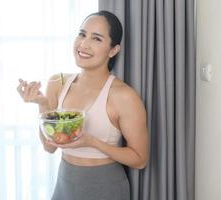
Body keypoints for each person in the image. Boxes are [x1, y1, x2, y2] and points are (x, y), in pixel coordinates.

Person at [17, 10, 148, 200]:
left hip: (105, 186)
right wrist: (42, 104)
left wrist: (92, 142)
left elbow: (140, 159)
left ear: (113, 50)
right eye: (82, 34)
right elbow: (49, 147)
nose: (83, 44)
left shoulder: (124, 96)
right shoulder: (57, 83)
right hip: (65, 183)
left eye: (96, 39)